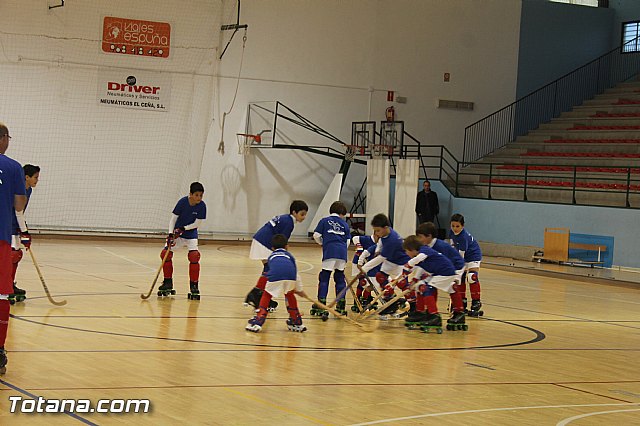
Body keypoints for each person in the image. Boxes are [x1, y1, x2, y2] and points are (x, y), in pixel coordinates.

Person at [244, 200, 308, 312]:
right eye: (302, 214)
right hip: (264, 242)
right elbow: (282, 239)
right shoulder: (289, 222)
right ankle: (257, 294)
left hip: (260, 240)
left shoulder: (286, 218)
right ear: (294, 212)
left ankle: (258, 294)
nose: (304, 217)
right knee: (270, 269)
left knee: (268, 269)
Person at [0, 123, 28, 375]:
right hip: (0, 238)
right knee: (1, 295)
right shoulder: (13, 167)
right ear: (3, 139)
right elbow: (19, 205)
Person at [246, 234, 309, 333]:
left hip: (276, 275)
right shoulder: (290, 256)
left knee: (267, 295)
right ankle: (296, 320)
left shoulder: (271, 256)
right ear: (287, 247)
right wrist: (299, 289)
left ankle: (259, 319)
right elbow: (296, 273)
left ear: (272, 248)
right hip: (291, 276)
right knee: (289, 294)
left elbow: (270, 271)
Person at [402, 235, 466, 331]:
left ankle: (434, 315)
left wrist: (408, 265)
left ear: (411, 249)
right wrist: (414, 280)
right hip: (438, 273)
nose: (406, 254)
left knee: (426, 288)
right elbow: (420, 268)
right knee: (419, 286)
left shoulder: (424, 251)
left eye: (406, 251)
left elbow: (417, 260)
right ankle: (420, 312)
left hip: (445, 273)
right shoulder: (419, 255)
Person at [158, 182, 207, 300]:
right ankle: (168, 282)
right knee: (165, 254)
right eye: (196, 195)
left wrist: (184, 229)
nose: (199, 198)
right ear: (190, 194)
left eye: (201, 195)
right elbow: (173, 219)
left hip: (190, 234)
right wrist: (170, 234)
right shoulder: (182, 202)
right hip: (177, 234)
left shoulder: (202, 206)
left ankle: (194, 286)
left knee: (194, 256)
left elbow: (197, 223)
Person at [359, 213, 411, 316]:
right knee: (380, 277)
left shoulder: (393, 240)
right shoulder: (385, 234)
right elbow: (380, 243)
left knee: (402, 284)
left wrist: (364, 268)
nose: (377, 234)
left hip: (401, 262)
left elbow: (381, 258)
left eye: (378, 230)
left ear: (386, 227)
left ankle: (413, 306)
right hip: (390, 260)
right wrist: (377, 251)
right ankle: (390, 303)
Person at [311, 201, 350, 316]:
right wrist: (341, 248)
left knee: (324, 277)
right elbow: (347, 241)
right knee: (339, 277)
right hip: (342, 253)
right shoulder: (345, 224)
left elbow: (316, 235)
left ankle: (321, 304)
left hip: (330, 251)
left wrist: (323, 243)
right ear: (342, 213)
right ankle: (341, 305)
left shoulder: (324, 221)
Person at [9, 164, 40, 303]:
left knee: (16, 255)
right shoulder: (18, 189)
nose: (37, 180)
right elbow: (17, 211)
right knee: (10, 255)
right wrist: (25, 232)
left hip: (15, 225)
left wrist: (23, 229)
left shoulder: (29, 191)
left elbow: (21, 213)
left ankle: (9, 283)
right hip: (6, 225)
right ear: (26, 177)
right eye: (35, 177)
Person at [449, 213, 483, 316]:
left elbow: (461, 256)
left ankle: (476, 302)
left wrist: (456, 267)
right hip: (462, 256)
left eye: (457, 226)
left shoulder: (463, 237)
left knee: (471, 277)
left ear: (462, 226)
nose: (455, 228)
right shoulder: (451, 233)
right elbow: (452, 247)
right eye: (453, 226)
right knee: (461, 278)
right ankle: (462, 301)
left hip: (473, 256)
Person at [350, 233, 378, 312]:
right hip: (358, 263)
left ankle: (366, 299)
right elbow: (355, 238)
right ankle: (357, 300)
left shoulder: (379, 243)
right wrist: (359, 247)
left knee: (368, 282)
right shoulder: (367, 239)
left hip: (368, 264)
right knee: (362, 282)